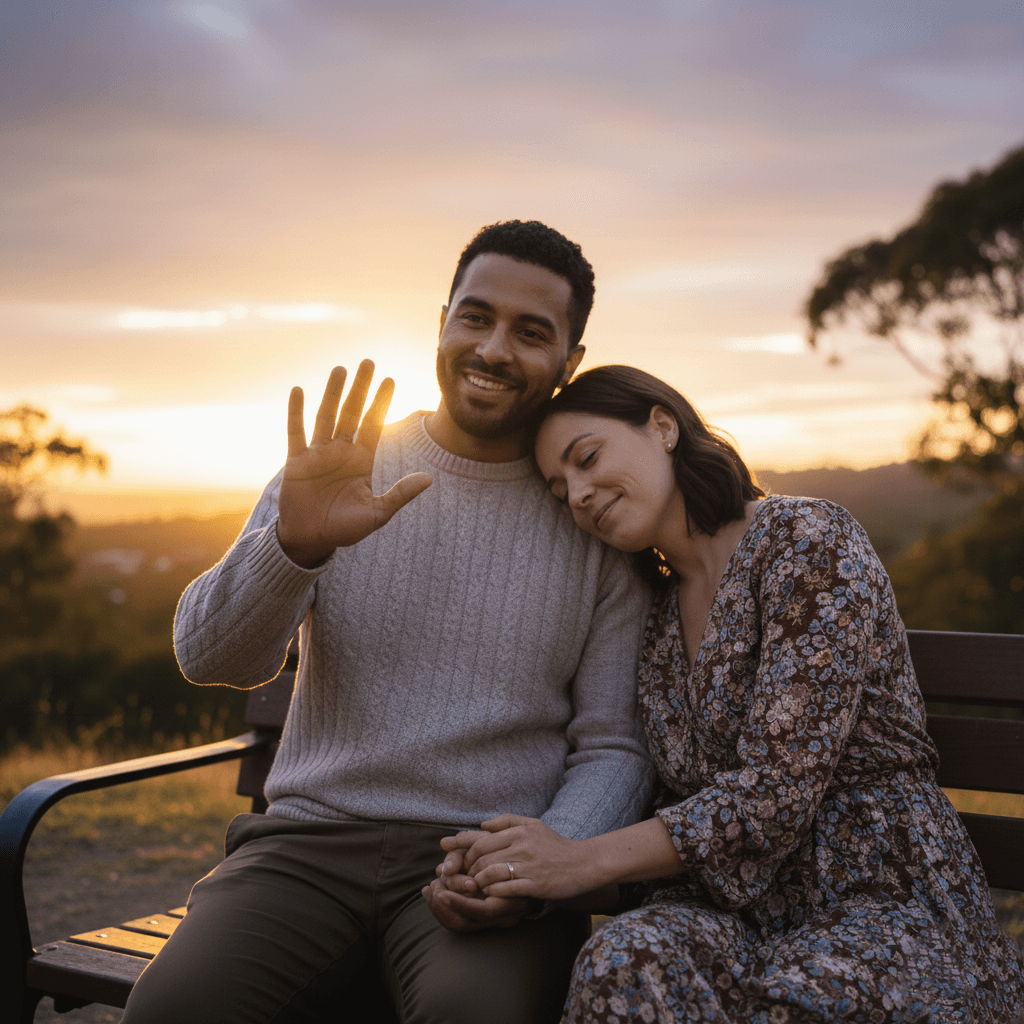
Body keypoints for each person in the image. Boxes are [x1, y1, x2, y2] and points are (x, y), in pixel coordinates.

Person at [121, 223, 653, 1024]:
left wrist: (541, 860)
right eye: (476, 317)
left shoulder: (591, 513)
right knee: (173, 1013)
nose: (494, 348)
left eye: (531, 331)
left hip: (479, 859)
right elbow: (207, 657)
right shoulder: (341, 466)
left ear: (569, 361)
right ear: (442, 321)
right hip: (303, 852)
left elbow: (613, 743)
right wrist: (293, 547)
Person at [440, 364, 1024, 1023]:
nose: (576, 493)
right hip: (734, 912)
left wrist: (576, 862)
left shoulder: (807, 540)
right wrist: (511, 874)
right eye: (558, 488)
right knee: (623, 962)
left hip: (877, 893)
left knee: (793, 1003)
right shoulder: (654, 618)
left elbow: (777, 791)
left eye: (587, 457)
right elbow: (667, 796)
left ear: (662, 426)